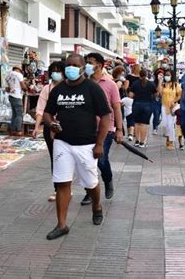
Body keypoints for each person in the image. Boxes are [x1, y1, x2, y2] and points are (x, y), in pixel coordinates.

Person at [43, 54, 111, 240]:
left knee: (90, 183)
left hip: (87, 144)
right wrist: (51, 124)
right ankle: (62, 224)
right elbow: (47, 114)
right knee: (62, 183)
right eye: (68, 65)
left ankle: (96, 206)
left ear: (82, 68)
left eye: (75, 65)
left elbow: (105, 117)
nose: (70, 68)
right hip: (62, 143)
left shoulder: (92, 88)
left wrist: (99, 144)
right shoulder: (58, 90)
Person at [80, 52, 123, 205]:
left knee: (101, 160)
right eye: (87, 62)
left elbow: (117, 108)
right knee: (86, 163)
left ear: (99, 65)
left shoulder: (110, 84)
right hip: (86, 129)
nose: (87, 65)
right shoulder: (83, 83)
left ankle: (108, 180)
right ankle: (90, 192)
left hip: (106, 129)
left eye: (90, 62)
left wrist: (119, 129)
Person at [32, 61, 65, 202]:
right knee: (55, 158)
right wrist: (36, 127)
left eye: (59, 70)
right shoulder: (47, 88)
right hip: (50, 127)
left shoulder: (69, 88)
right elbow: (40, 109)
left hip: (68, 128)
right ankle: (58, 190)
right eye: (54, 71)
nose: (56, 73)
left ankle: (69, 188)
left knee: (69, 158)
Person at [130, 69, 157, 147]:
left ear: (139, 75)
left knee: (137, 123)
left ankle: (137, 141)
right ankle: (142, 142)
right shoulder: (151, 84)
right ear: (147, 75)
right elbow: (155, 95)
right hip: (148, 105)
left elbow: (131, 95)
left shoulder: (135, 84)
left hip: (136, 105)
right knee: (144, 124)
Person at [157, 69, 182, 150]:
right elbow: (159, 93)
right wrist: (160, 81)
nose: (167, 76)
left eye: (168, 75)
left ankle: (170, 141)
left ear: (172, 76)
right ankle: (168, 137)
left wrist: (174, 101)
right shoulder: (164, 84)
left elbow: (179, 95)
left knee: (170, 124)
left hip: (172, 107)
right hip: (164, 106)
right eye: (166, 75)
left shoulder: (176, 85)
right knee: (165, 124)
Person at [5, 66, 27, 136]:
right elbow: (23, 86)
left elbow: (7, 87)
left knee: (14, 114)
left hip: (11, 96)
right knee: (19, 114)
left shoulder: (8, 75)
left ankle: (12, 130)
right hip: (17, 96)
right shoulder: (19, 75)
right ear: (19, 70)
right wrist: (26, 89)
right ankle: (18, 130)